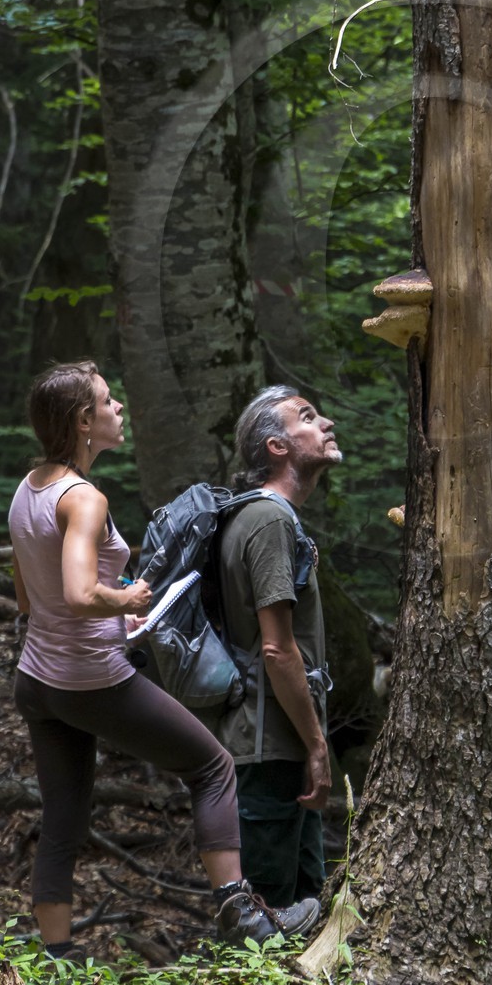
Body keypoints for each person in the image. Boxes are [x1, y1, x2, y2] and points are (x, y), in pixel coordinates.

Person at [8, 359, 320, 957]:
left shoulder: (30, 488)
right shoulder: (84, 499)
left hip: (38, 680)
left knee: (63, 818)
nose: (117, 408)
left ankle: (54, 958)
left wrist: (115, 616)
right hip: (91, 681)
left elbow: (32, 597)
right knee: (213, 767)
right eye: (107, 401)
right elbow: (76, 594)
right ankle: (240, 913)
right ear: (83, 420)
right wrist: (125, 596)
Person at [215, 385, 339, 910]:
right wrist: (316, 745)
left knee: (306, 902)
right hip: (268, 746)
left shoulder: (271, 518)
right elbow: (277, 649)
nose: (326, 422)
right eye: (307, 417)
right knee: (264, 918)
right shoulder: (267, 521)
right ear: (277, 447)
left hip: (276, 742)